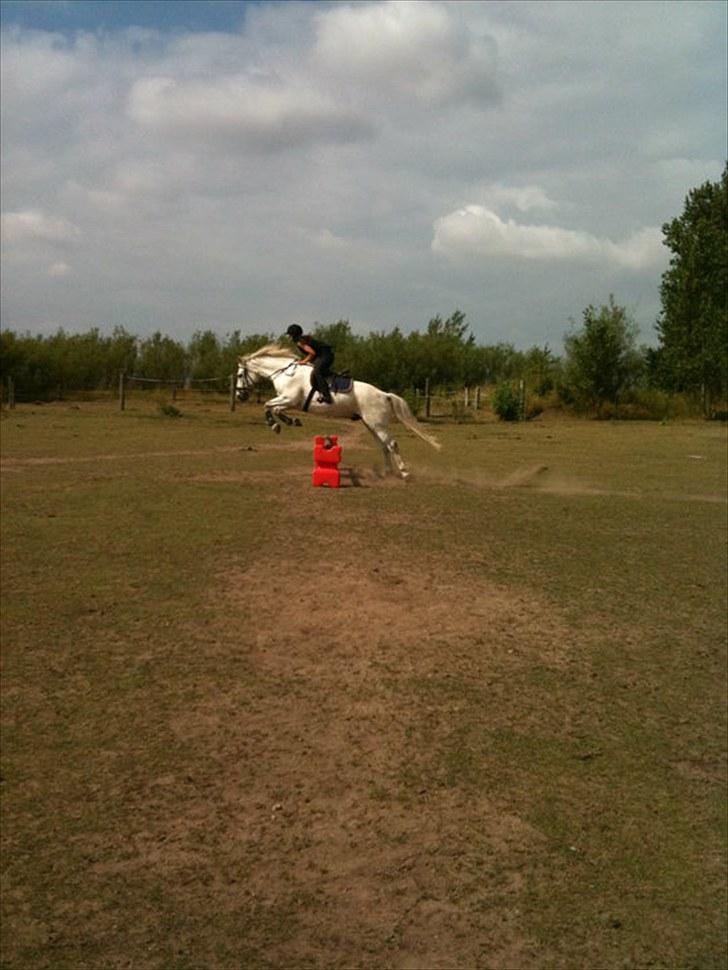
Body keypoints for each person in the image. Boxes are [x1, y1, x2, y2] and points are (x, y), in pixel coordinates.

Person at [286, 325, 334, 405]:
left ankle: (327, 396)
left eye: (290, 335)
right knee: (316, 369)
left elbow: (312, 353)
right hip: (324, 355)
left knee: (317, 371)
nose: (288, 337)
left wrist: (304, 361)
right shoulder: (302, 340)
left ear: (294, 335)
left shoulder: (300, 342)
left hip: (326, 356)